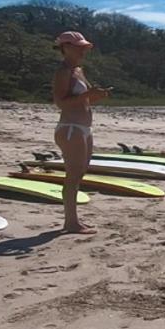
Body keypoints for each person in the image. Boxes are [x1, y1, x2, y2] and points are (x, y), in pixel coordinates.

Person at [51, 31, 110, 235]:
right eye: (79, 47)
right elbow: (60, 103)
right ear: (65, 48)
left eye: (84, 47)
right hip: (70, 128)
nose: (83, 51)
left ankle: (73, 219)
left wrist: (96, 96)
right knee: (73, 175)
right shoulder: (63, 71)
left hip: (83, 128)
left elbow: (84, 100)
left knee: (79, 173)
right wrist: (88, 94)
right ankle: (70, 222)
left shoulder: (78, 70)